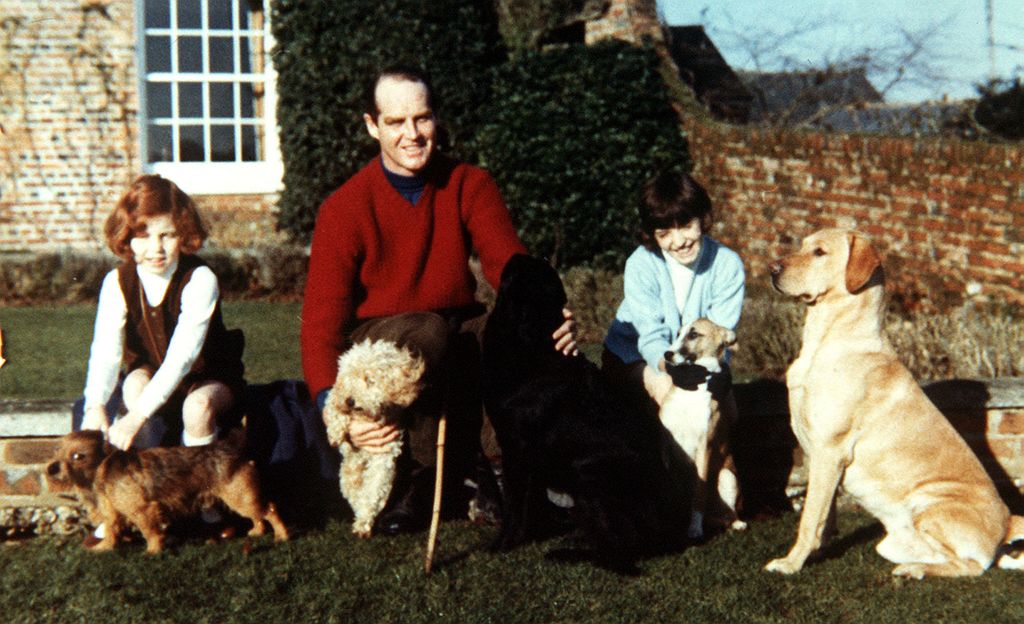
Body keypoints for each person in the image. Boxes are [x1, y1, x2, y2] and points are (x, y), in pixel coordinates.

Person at [301, 65, 576, 535]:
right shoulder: (344, 208)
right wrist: (340, 414)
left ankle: (505, 472)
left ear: (435, 119)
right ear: (372, 125)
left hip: (455, 323)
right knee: (427, 333)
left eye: (422, 119)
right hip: (383, 336)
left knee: (507, 329)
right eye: (395, 122)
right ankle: (420, 479)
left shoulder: (469, 184)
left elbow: (508, 265)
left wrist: (551, 315)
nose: (412, 134)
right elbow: (320, 325)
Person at [80, 174, 245, 452]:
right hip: (151, 371)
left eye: (166, 235)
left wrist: (135, 418)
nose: (156, 248)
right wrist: (94, 405)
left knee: (197, 408)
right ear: (127, 238)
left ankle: (199, 484)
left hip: (205, 378)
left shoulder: (200, 279)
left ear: (182, 234)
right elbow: (106, 351)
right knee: (133, 387)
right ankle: (148, 477)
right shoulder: (117, 282)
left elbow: (183, 358)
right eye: (143, 237)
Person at [602, 170, 744, 415]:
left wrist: (719, 373)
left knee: (727, 409)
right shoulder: (641, 263)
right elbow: (650, 337)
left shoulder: (727, 264)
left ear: (702, 218)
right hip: (637, 358)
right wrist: (671, 369)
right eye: (664, 233)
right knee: (669, 393)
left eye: (686, 225)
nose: (679, 241)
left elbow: (720, 335)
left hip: (692, 359)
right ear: (651, 234)